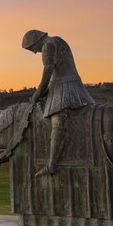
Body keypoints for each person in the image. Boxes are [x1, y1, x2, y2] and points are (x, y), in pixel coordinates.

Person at [22, 30, 94, 177]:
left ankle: (52, 165)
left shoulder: (48, 45)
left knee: (58, 120)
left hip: (66, 87)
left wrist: (36, 94)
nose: (34, 52)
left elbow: (47, 76)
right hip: (61, 85)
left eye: (31, 49)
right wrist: (42, 94)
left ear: (35, 42)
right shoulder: (57, 40)